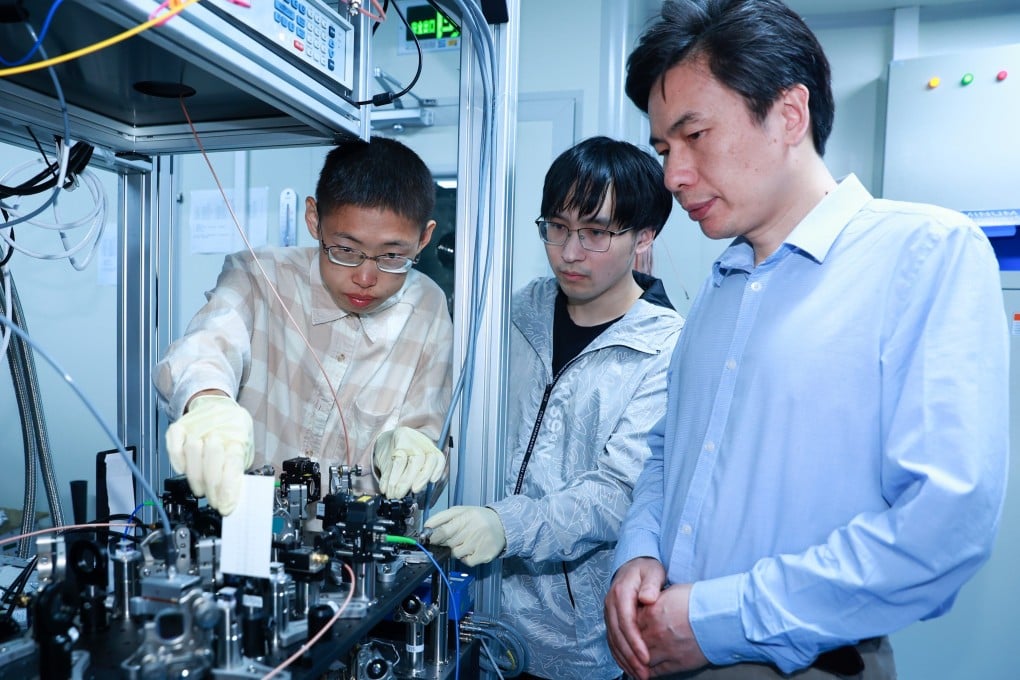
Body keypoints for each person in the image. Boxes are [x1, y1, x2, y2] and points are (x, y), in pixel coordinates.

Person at [603, 1, 1010, 679]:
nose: (672, 176)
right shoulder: (722, 286)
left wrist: (719, 618)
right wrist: (640, 553)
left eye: (694, 135)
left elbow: (945, 523)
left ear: (789, 114)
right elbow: (670, 452)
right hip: (664, 650)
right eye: (664, 149)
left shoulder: (923, 252)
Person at [425, 136, 684, 679]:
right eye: (557, 227)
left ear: (644, 236)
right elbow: (464, 416)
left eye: (595, 233)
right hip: (474, 614)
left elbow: (618, 492)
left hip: (576, 643)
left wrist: (506, 525)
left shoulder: (665, 347)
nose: (569, 252)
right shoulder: (517, 310)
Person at [154, 136, 453, 515]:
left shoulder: (427, 308)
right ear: (314, 219)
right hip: (244, 527)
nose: (365, 277)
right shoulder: (260, 277)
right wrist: (208, 399)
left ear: (424, 238)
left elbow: (429, 462)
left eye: (392, 256)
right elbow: (206, 348)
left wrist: (411, 453)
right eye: (346, 250)